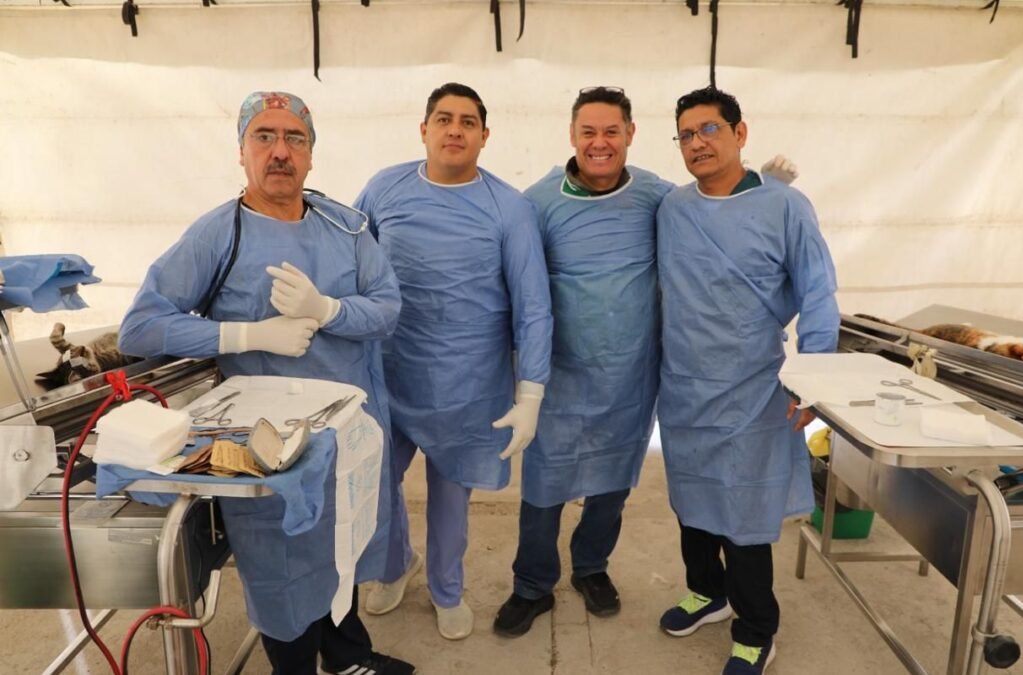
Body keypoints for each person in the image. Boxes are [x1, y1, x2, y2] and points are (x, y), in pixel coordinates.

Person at [118, 91, 414, 675]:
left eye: (294, 138)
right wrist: (245, 335)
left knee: (342, 545)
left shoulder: (347, 228)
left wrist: (328, 310)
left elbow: (387, 310)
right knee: (282, 566)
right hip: (266, 447)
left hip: (345, 434)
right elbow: (141, 328)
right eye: (264, 136)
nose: (280, 151)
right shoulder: (218, 235)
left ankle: (347, 657)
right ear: (241, 151)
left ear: (311, 154)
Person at [494, 86, 800, 637]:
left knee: (613, 483)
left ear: (631, 134)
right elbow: (517, 290)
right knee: (543, 487)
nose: (600, 143)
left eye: (612, 131)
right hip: (561, 377)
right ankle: (532, 585)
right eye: (589, 131)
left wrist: (767, 192)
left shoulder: (657, 197)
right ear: (572, 135)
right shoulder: (535, 203)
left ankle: (592, 567)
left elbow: (714, 217)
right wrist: (521, 379)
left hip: (630, 375)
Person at [353, 82, 553, 641]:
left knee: (450, 498)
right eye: (444, 119)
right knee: (374, 484)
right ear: (424, 129)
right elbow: (350, 266)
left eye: (468, 122)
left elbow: (533, 305)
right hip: (388, 373)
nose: (455, 130)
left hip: (466, 382)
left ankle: (447, 589)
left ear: (485, 136)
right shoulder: (383, 189)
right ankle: (395, 564)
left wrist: (531, 392)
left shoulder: (509, 208)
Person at [655, 85, 839, 675]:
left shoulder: (787, 207)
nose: (697, 143)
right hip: (684, 384)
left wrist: (814, 381)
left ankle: (756, 627)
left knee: (744, 512)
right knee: (691, 499)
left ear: (740, 132)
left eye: (709, 129)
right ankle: (707, 591)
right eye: (686, 134)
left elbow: (818, 292)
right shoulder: (672, 208)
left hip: (753, 386)